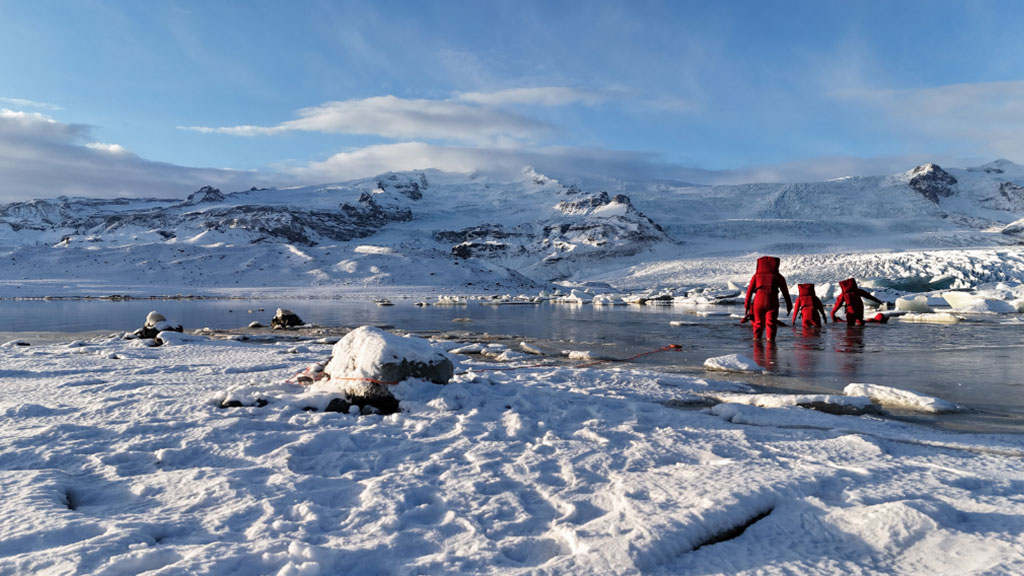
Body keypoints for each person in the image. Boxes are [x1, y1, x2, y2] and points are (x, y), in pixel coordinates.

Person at [744, 256, 792, 341]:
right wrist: (789, 305)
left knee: (758, 323)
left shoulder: (756, 275)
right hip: (772, 301)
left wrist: (747, 305)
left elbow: (749, 291)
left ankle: (756, 343)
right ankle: (771, 344)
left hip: (758, 301)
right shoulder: (778, 276)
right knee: (771, 323)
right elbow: (785, 292)